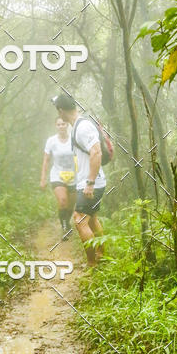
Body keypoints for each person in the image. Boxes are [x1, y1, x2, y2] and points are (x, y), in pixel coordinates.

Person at [52, 92, 105, 266]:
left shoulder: (83, 127)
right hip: (91, 181)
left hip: (92, 183)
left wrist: (89, 183)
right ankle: (101, 256)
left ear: (61, 111)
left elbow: (96, 152)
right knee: (93, 219)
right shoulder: (76, 126)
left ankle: (92, 263)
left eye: (57, 110)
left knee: (79, 220)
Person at [40, 115, 76, 233]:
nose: (61, 126)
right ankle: (65, 228)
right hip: (57, 175)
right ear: (56, 126)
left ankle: (67, 221)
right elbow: (46, 160)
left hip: (73, 175)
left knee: (70, 205)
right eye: (58, 124)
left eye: (63, 124)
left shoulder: (73, 139)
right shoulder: (51, 141)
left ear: (67, 125)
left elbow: (81, 156)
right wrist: (43, 179)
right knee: (62, 200)